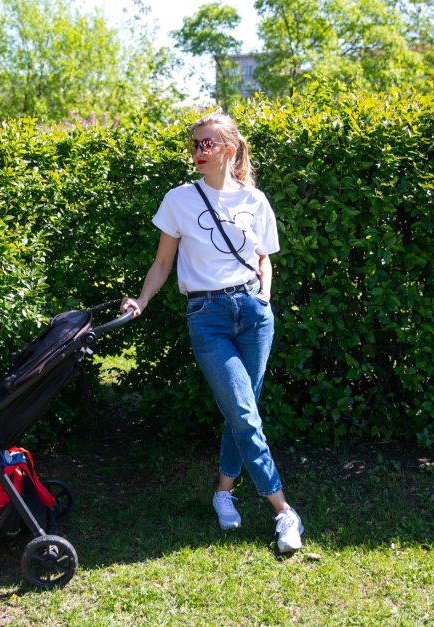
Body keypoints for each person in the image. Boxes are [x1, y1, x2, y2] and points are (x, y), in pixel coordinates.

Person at [120, 112, 303, 553]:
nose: (198, 151)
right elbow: (163, 262)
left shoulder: (254, 200)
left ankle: (223, 491)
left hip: (254, 313)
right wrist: (141, 301)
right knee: (243, 411)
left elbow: (263, 257)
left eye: (206, 144)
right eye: (194, 144)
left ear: (229, 148)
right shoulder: (179, 199)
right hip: (207, 315)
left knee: (242, 410)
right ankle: (283, 511)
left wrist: (266, 297)